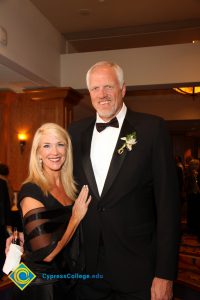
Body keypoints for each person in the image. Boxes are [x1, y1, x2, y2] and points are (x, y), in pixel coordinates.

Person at [68, 61, 180, 300]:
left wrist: (165, 273)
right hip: (87, 272)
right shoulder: (74, 133)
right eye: (96, 88)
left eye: (109, 86)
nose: (102, 94)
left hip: (138, 270)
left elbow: (168, 206)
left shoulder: (152, 129)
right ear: (89, 94)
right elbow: (63, 191)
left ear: (123, 89)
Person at [11, 123, 91, 300]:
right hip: (38, 283)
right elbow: (47, 255)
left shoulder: (71, 187)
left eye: (60, 144)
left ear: (67, 150)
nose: (54, 152)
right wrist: (75, 218)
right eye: (47, 145)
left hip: (67, 279)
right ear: (38, 153)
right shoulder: (31, 190)